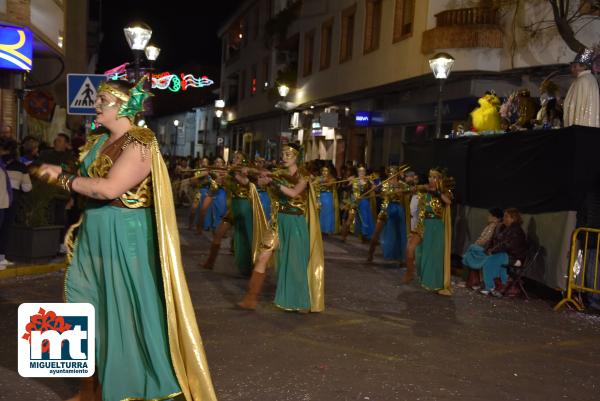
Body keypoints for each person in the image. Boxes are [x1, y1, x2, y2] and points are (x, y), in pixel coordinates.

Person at [36, 78, 216, 401]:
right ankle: (88, 387)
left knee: (122, 310)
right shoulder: (98, 141)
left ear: (122, 106)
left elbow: (108, 189)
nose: (96, 105)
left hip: (124, 233)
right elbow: (86, 178)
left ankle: (128, 384)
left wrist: (61, 179)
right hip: (94, 230)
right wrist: (60, 171)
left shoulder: (140, 143)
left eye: (102, 100)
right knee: (80, 303)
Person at [237, 143, 324, 312]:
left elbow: (293, 193)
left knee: (295, 263)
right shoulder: (278, 173)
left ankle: (297, 300)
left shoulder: (304, 176)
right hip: (278, 221)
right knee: (263, 256)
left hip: (295, 222)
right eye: (283, 154)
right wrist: (254, 175)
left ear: (296, 157)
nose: (284, 157)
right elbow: (261, 181)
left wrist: (274, 182)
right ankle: (251, 298)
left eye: (288, 155)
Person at [404, 168, 453, 295]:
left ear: (440, 180)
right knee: (412, 250)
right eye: (430, 177)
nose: (431, 179)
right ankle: (409, 274)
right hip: (422, 224)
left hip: (435, 227)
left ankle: (433, 282)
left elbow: (448, 202)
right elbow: (410, 189)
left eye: (435, 177)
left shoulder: (444, 192)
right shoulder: (423, 189)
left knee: (433, 256)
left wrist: (436, 192)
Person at [479, 208, 527, 297]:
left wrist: (492, 251)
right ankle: (498, 285)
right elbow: (500, 242)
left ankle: (490, 287)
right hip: (508, 255)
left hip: (515, 258)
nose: (504, 218)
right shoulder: (508, 228)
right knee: (491, 260)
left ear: (513, 218)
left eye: (506, 216)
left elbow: (507, 245)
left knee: (489, 261)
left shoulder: (515, 230)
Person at [0, 138, 32, 267]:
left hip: (5, 199)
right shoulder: (20, 166)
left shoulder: (2, 164)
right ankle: (2, 257)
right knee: (6, 229)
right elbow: (27, 187)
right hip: (11, 200)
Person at [367, 166, 408, 263]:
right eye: (390, 173)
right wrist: (374, 184)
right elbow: (377, 189)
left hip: (397, 210)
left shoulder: (401, 184)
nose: (392, 175)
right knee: (376, 232)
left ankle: (401, 258)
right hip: (385, 209)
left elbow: (409, 190)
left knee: (399, 233)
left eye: (394, 174)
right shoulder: (385, 184)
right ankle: (370, 254)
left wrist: (404, 189)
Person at [462, 208, 504, 289]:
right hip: (485, 248)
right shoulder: (490, 226)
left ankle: (473, 281)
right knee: (469, 253)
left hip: (486, 250)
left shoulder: (494, 226)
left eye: (490, 215)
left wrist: (475, 245)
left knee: (470, 251)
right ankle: (472, 280)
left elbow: (485, 240)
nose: (488, 217)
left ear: (495, 217)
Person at [563, 48, 600, 128]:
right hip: (590, 127)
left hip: (580, 126)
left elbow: (575, 106)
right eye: (572, 67)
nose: (572, 69)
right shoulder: (591, 79)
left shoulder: (581, 80)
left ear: (583, 67)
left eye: (574, 66)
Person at [341, 166, 375, 242]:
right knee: (349, 219)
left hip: (364, 202)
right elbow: (346, 188)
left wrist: (373, 184)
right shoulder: (354, 180)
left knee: (364, 219)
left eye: (363, 172)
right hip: (354, 202)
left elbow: (375, 188)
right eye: (360, 171)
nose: (362, 173)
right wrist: (347, 182)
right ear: (358, 172)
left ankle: (364, 237)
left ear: (365, 172)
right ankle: (344, 237)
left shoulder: (368, 181)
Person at [316, 166, 339, 234]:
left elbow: (329, 184)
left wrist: (322, 181)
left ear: (329, 172)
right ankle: (320, 228)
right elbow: (314, 183)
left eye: (326, 171)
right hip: (321, 197)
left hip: (328, 197)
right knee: (321, 212)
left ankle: (327, 229)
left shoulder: (332, 179)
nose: (324, 172)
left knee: (328, 213)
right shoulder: (318, 178)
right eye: (323, 171)